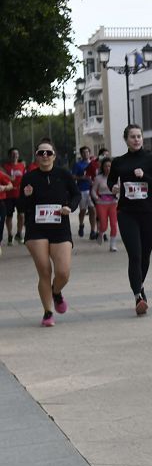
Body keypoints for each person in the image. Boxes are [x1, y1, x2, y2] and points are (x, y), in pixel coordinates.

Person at [18, 139, 80, 327]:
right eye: (41, 153)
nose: (45, 156)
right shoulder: (28, 178)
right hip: (36, 229)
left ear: (54, 156)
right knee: (44, 271)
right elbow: (20, 206)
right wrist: (27, 196)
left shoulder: (63, 174)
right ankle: (47, 312)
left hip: (60, 227)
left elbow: (76, 195)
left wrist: (70, 207)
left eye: (48, 153)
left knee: (63, 272)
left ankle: (56, 292)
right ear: (36, 156)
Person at [109, 124, 152, 315]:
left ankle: (139, 285)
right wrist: (113, 188)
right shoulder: (119, 162)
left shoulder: (151, 159)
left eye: (139, 136)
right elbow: (111, 180)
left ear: (142, 138)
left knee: (145, 255)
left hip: (148, 212)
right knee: (134, 255)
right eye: (132, 137)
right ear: (126, 139)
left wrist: (146, 177)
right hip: (126, 212)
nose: (136, 139)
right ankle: (138, 297)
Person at [91, 158, 119, 252]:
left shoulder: (116, 178)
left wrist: (118, 196)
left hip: (113, 203)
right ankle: (100, 233)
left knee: (114, 224)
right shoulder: (98, 178)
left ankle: (112, 244)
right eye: (106, 166)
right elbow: (93, 191)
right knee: (103, 224)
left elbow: (120, 189)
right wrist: (96, 198)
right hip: (101, 203)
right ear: (103, 167)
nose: (108, 168)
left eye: (109, 166)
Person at [71, 146, 98, 240]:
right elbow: (73, 176)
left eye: (87, 152)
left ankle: (92, 231)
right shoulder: (78, 165)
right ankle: (81, 225)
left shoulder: (94, 163)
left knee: (92, 210)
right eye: (84, 152)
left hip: (92, 189)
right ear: (81, 154)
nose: (86, 154)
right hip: (82, 189)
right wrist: (82, 178)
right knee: (83, 210)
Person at [3, 148, 27, 245]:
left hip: (20, 194)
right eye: (13, 154)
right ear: (9, 156)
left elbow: (26, 177)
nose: (15, 156)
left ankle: (19, 233)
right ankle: (9, 235)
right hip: (8, 195)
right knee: (9, 216)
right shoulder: (5, 167)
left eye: (16, 154)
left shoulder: (22, 166)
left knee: (21, 215)